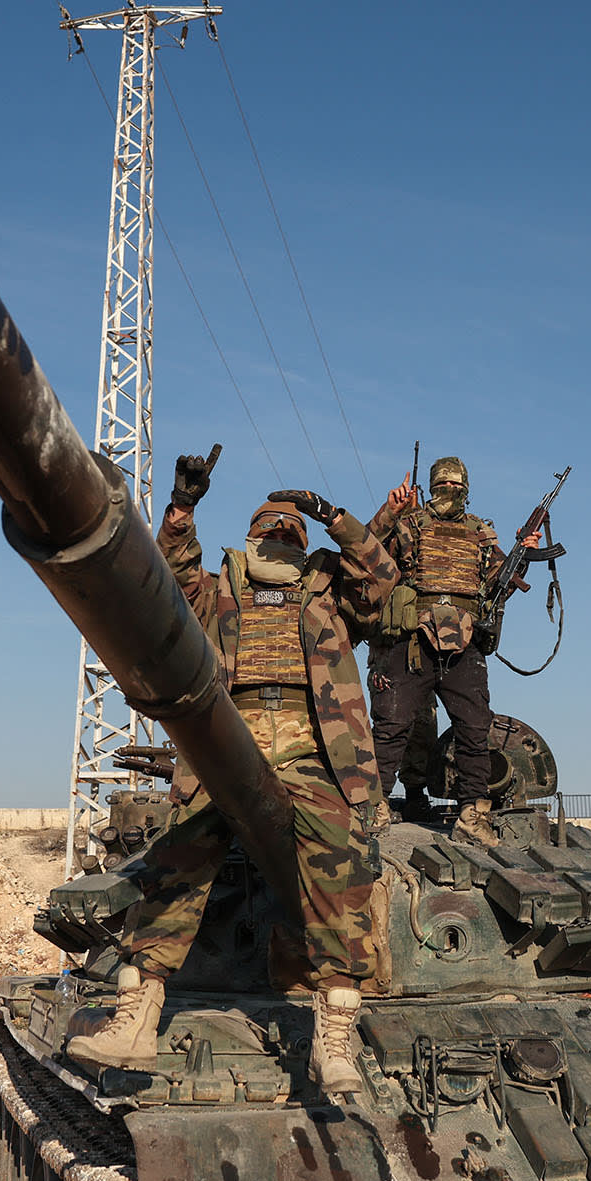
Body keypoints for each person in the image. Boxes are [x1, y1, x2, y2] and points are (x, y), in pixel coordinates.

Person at [65, 446, 397, 1097]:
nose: (278, 535)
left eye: (288, 530)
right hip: (226, 740)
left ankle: (334, 1034)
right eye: (268, 529)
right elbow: (164, 573)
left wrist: (331, 514)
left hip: (313, 750)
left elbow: (382, 576)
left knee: (340, 859)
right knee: (176, 856)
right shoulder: (219, 591)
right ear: (247, 540)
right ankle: (137, 1019)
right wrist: (182, 509)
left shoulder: (331, 589)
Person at [366, 456, 534, 845]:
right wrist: (389, 512)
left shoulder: (480, 533)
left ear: (467, 490)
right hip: (412, 641)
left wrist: (521, 553)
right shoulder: (409, 524)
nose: (450, 493)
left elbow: (498, 585)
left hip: (466, 642)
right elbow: (368, 552)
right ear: (432, 486)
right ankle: (373, 807)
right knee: (391, 728)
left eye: (457, 487)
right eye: (443, 485)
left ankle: (472, 816)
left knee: (475, 731)